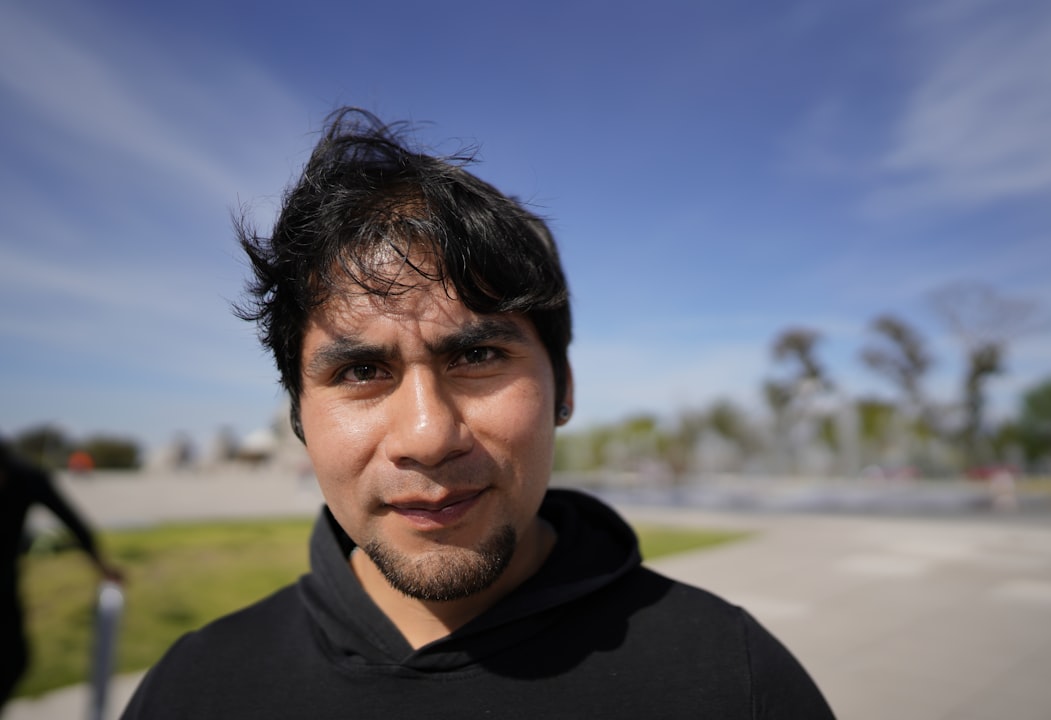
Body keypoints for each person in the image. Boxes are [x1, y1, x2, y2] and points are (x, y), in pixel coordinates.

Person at [121, 108, 834, 718]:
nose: (429, 437)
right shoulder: (197, 690)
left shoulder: (731, 682)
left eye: (479, 357)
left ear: (565, 388)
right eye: (361, 371)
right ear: (300, 417)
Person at [1, 438, 123, 707]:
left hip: (4, 581)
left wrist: (102, 566)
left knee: (14, 659)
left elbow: (74, 522)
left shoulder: (26, 477)